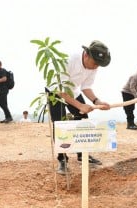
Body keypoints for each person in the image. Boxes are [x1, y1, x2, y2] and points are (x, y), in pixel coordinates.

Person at [47, 40, 111, 175]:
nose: (96, 67)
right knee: (60, 125)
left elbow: (86, 87)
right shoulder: (68, 60)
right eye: (95, 63)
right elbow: (60, 90)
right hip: (55, 91)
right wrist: (80, 105)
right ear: (86, 55)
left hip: (73, 91)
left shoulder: (93, 66)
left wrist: (97, 101)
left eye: (99, 65)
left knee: (82, 119)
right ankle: (62, 159)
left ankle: (83, 154)